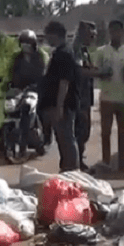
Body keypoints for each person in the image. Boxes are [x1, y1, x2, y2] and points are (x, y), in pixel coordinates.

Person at [92, 19, 124, 172]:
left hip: (123, 98)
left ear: (122, 32)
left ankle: (123, 164)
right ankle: (106, 162)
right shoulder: (101, 52)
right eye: (112, 31)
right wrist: (102, 74)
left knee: (123, 134)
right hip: (106, 98)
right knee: (106, 132)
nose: (115, 34)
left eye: (118, 31)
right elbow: (95, 71)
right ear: (109, 32)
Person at [39, 20, 82, 172]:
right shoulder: (61, 52)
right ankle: (67, 169)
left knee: (66, 139)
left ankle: (71, 170)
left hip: (63, 104)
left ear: (54, 35)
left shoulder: (64, 54)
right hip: (60, 104)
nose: (46, 39)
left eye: (47, 36)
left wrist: (59, 106)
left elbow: (64, 82)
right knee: (63, 139)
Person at [73, 21, 98, 172]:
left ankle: (79, 161)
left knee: (84, 131)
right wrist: (100, 73)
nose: (93, 39)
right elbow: (80, 71)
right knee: (80, 132)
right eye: (91, 35)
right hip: (78, 97)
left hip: (85, 96)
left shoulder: (84, 50)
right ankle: (77, 164)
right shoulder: (76, 50)